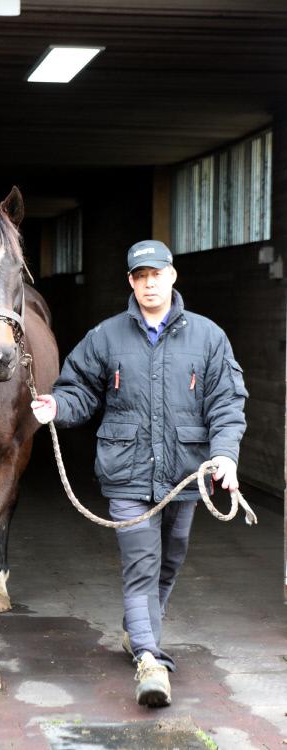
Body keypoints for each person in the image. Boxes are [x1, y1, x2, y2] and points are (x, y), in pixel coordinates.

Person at [31, 239, 247, 708]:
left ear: (172, 276)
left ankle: (137, 630)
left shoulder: (208, 337)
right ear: (131, 281)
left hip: (185, 475)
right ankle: (149, 659)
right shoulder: (106, 337)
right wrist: (57, 406)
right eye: (140, 275)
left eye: (157, 274)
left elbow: (227, 404)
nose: (150, 283)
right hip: (126, 472)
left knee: (170, 560)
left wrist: (225, 456)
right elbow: (79, 390)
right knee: (142, 565)